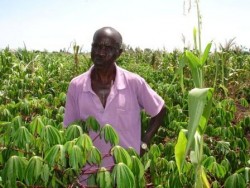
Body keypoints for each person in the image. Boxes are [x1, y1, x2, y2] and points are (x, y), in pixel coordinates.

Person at [63, 26, 166, 184]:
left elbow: (159, 110)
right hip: (88, 174)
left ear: (119, 53)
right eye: (96, 46)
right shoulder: (76, 85)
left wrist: (144, 143)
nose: (100, 52)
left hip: (124, 171)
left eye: (107, 48)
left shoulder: (134, 82)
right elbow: (69, 130)